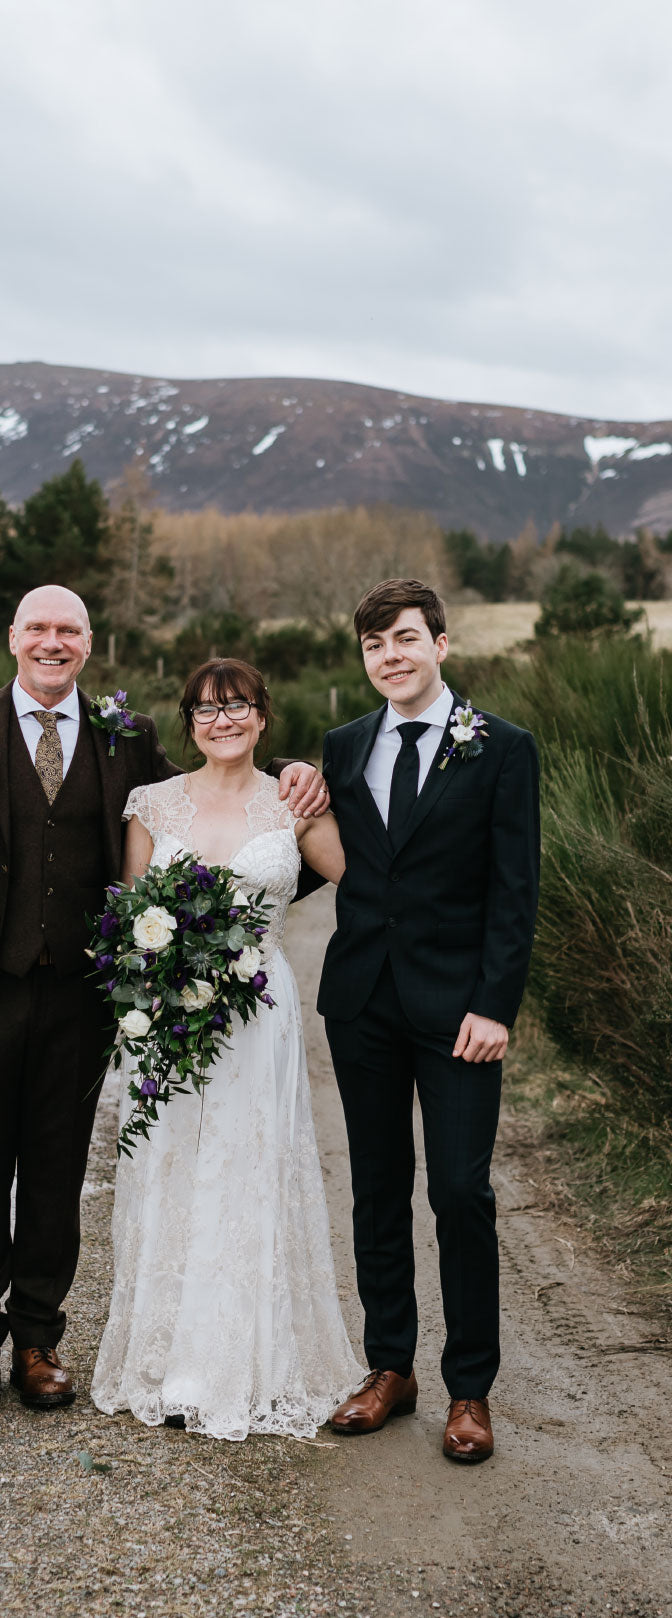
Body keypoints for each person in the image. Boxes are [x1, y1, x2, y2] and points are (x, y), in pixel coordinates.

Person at [0, 586, 328, 1412]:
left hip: (84, 997)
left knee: (57, 1172)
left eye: (69, 631)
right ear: (13, 637)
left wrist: (294, 777)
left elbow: (216, 803)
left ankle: (39, 1339)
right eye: (38, 629)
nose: (53, 643)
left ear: (89, 643)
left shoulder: (131, 737)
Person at [91, 659, 364, 1440]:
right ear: (189, 723)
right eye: (207, 710)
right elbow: (128, 913)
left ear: (264, 718)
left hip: (259, 1012)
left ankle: (238, 1363)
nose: (224, 721)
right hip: (172, 1012)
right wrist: (147, 988)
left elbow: (365, 877)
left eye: (239, 706)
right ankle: (170, 1359)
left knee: (246, 1168)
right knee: (172, 1163)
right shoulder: (153, 803)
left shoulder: (294, 804)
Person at [318, 579, 540, 1464]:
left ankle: (471, 1391)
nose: (391, 657)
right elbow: (314, 857)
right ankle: (390, 1369)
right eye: (375, 645)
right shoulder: (341, 748)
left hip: (460, 1012)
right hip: (363, 1001)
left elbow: (515, 891)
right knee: (377, 1186)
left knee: (459, 1191)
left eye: (405, 638)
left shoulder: (501, 749)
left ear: (441, 644)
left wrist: (496, 1002)